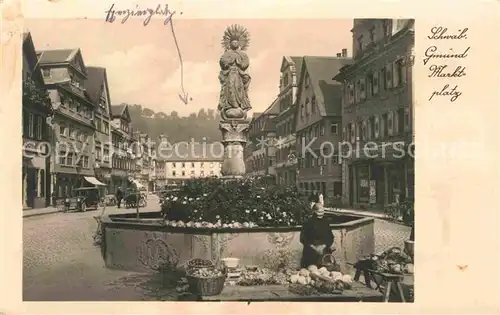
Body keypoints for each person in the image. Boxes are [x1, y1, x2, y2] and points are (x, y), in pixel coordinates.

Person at [299, 203, 335, 268]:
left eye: (322, 212)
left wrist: (324, 246)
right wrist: (315, 248)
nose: (321, 214)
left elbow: (330, 237)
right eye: (319, 212)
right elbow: (303, 238)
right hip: (310, 253)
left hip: (324, 252)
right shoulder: (308, 222)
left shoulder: (326, 222)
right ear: (314, 211)